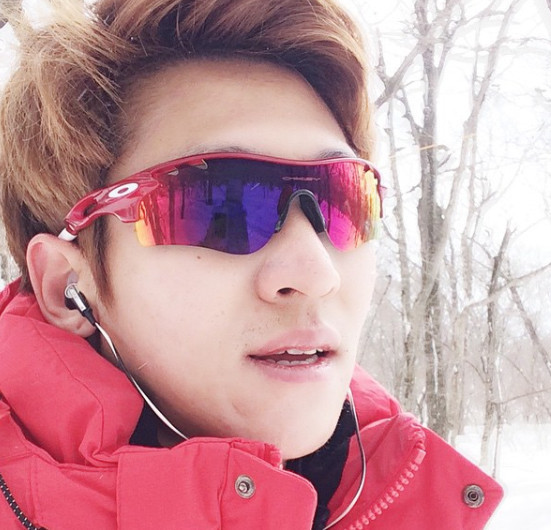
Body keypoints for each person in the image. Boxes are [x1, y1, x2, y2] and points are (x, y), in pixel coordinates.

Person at [0, 0, 503, 528]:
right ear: (66, 286)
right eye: (221, 207)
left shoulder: (408, 498)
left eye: (341, 202)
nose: (317, 274)